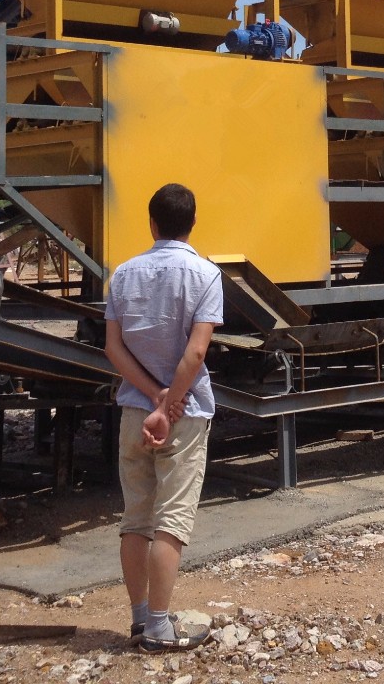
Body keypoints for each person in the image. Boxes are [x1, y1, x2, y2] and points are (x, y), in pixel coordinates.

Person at [102, 183, 223, 653]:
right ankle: (158, 627)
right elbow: (196, 351)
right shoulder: (206, 275)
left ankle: (138, 619)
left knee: (136, 518)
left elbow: (113, 348)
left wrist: (154, 397)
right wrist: (171, 403)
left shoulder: (123, 275)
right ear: (193, 224)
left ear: (152, 223)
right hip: (184, 414)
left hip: (135, 411)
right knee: (171, 520)